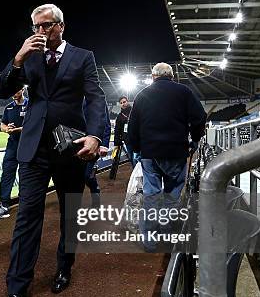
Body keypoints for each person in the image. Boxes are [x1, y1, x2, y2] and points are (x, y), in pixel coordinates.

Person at [0, 4, 107, 297]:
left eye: (46, 25)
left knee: (69, 212)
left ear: (61, 26)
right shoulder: (31, 56)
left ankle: (65, 265)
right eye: (36, 26)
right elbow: (2, 90)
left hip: (71, 147)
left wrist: (94, 135)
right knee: (26, 218)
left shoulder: (83, 57)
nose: (40, 32)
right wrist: (19, 57)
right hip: (34, 148)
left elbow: (95, 98)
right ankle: (16, 296)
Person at [126, 62, 206, 252]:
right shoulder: (184, 92)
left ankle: (150, 242)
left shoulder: (142, 95)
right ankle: (167, 235)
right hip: (176, 152)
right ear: (172, 76)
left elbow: (132, 128)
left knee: (151, 196)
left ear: (153, 76)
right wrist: (194, 139)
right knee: (172, 197)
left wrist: (138, 149)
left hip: (149, 154)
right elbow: (200, 117)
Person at [0, 88, 28, 219]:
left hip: (27, 146)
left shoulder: (30, 105)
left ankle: (24, 203)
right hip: (12, 145)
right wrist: (7, 129)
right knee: (7, 174)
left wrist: (19, 129)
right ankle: (4, 205)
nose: (13, 92)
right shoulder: (8, 108)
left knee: (24, 175)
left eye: (16, 89)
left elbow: (33, 124)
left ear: (23, 89)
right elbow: (2, 124)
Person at [84, 105, 111, 207]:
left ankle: (95, 191)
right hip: (75, 144)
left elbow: (106, 124)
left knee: (87, 176)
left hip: (93, 145)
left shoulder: (97, 99)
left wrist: (104, 145)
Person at [113, 96, 135, 168]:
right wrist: (117, 141)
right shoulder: (119, 116)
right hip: (128, 141)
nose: (123, 104)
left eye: (124, 102)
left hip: (138, 139)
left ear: (127, 102)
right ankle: (136, 173)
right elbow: (117, 130)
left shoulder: (135, 112)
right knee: (132, 158)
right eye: (121, 103)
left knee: (139, 158)